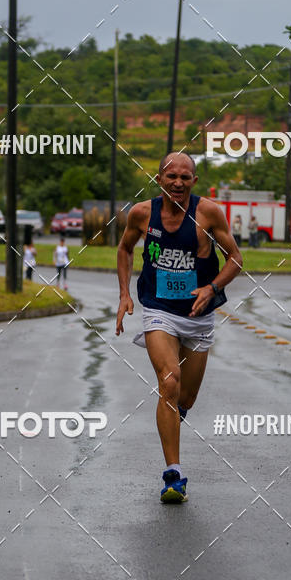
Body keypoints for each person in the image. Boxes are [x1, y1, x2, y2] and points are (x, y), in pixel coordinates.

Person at [116, 152, 242, 502]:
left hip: (199, 315)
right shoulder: (142, 213)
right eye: (171, 176)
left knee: (185, 397)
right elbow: (125, 249)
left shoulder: (209, 213)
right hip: (159, 310)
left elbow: (236, 258)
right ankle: (174, 475)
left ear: (194, 182)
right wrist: (125, 294)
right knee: (169, 382)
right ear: (160, 179)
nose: (178, 183)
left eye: (185, 177)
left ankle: (171, 418)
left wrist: (212, 287)